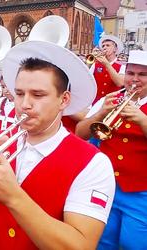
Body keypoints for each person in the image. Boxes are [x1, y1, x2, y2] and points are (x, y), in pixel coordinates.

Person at [0, 41, 115, 249]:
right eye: (20, 93)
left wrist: (13, 196)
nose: (24, 104)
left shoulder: (94, 163)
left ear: (64, 99)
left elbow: (80, 245)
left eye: (38, 95)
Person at [75, 50, 147, 249]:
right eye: (130, 73)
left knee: (134, 243)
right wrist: (100, 112)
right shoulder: (111, 98)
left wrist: (142, 120)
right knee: (102, 240)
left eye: (142, 75)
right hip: (105, 185)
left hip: (141, 192)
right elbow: (80, 133)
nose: (135, 79)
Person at [90, 35, 124, 104]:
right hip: (95, 102)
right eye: (103, 46)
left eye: (108, 45)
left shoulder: (122, 66)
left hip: (112, 103)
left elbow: (120, 83)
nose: (105, 48)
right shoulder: (96, 64)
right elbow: (87, 80)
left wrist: (106, 64)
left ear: (115, 49)